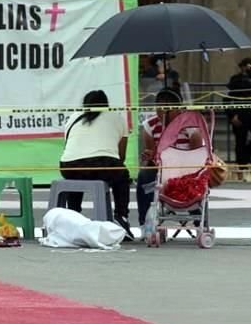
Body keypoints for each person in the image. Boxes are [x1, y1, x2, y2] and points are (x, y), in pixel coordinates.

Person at [59, 90, 134, 240]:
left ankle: (74, 216)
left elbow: (69, 147)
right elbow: (121, 156)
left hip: (68, 165)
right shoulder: (116, 117)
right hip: (103, 164)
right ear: (106, 104)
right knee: (122, 175)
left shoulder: (74, 117)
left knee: (76, 175)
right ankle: (121, 217)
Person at [135, 89, 204, 226]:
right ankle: (145, 221)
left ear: (178, 109)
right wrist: (150, 156)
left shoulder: (189, 126)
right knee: (144, 176)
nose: (163, 114)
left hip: (187, 169)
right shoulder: (149, 126)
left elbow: (198, 154)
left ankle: (196, 213)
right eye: (159, 109)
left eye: (168, 110)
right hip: (161, 169)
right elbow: (152, 156)